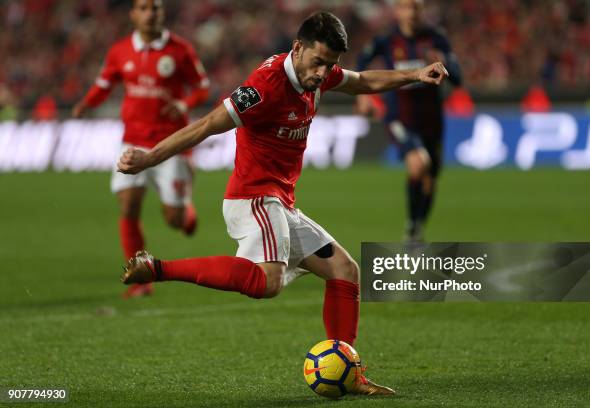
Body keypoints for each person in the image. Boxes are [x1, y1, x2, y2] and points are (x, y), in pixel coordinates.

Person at [118, 11, 447, 395]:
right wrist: (150, 157)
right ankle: (157, 268)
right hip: (253, 197)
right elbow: (207, 124)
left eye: (331, 64)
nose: (324, 73)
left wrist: (414, 74)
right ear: (297, 48)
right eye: (319, 62)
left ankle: (349, 370)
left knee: (344, 270)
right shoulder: (265, 87)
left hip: (281, 203)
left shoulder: (317, 75)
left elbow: (361, 80)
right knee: (268, 282)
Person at [73, 0, 210, 298]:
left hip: (170, 143)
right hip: (132, 141)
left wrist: (184, 103)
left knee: (174, 220)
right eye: (144, 8)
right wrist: (86, 104)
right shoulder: (119, 51)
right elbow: (104, 84)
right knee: (128, 205)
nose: (150, 13)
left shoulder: (180, 49)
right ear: (133, 14)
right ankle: (141, 279)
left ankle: (187, 216)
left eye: (156, 8)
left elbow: (202, 87)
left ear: (162, 13)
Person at [355, 0, 462, 242]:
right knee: (418, 164)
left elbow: (458, 78)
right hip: (400, 117)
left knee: (430, 180)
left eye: (416, 7)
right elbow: (361, 64)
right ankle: (413, 227)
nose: (411, 13)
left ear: (422, 11)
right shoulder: (387, 40)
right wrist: (362, 97)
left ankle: (416, 227)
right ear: (398, 11)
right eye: (406, 7)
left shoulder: (436, 39)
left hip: (432, 119)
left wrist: (444, 64)